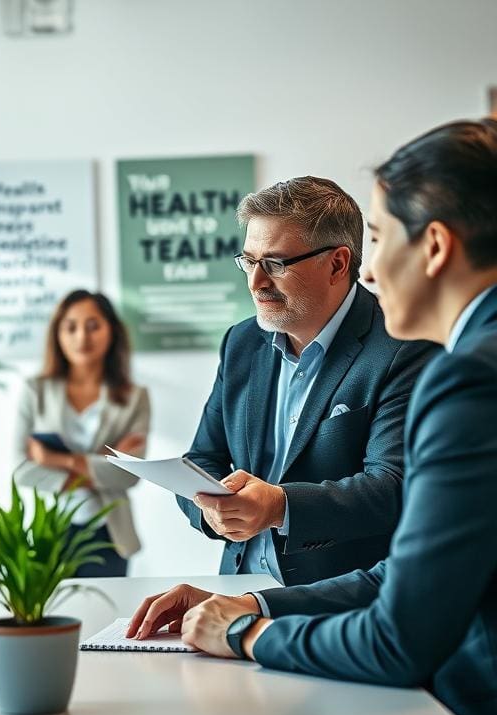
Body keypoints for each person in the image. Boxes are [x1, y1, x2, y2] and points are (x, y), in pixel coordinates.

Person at [127, 119, 497, 715]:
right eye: (249, 260)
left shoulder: (457, 373)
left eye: (379, 239)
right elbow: (401, 573)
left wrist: (247, 633)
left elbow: (397, 628)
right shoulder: (243, 342)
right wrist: (255, 602)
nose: (374, 273)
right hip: (274, 597)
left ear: (432, 247)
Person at [178, 176, 436, 586]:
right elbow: (201, 459)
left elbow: (394, 486)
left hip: (343, 602)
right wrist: (211, 511)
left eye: (276, 264)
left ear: (337, 263)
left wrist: (279, 506)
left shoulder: (404, 346)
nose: (255, 282)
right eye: (249, 261)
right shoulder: (241, 342)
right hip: (237, 589)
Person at [14, 290, 150, 577]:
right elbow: (21, 469)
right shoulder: (34, 391)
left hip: (111, 535)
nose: (81, 338)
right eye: (71, 327)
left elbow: (129, 475)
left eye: (93, 326)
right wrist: (103, 460)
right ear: (57, 333)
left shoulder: (135, 397)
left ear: (111, 330)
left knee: (107, 619)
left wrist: (56, 459)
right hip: (50, 530)